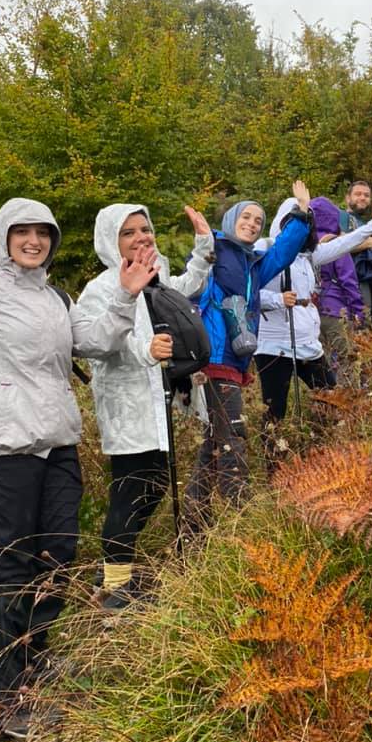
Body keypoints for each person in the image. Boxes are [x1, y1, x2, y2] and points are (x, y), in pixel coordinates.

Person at [0, 198, 155, 738]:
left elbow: (93, 343)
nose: (33, 241)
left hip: (58, 443)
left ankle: (30, 661)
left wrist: (124, 295)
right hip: (3, 447)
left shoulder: (56, 297)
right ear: (2, 237)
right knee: (9, 567)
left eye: (42, 233)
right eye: (21, 232)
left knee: (56, 558)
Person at [75, 203, 213, 612]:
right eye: (128, 232)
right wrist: (144, 350)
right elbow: (95, 345)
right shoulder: (100, 288)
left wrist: (203, 245)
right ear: (110, 240)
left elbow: (186, 288)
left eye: (144, 229)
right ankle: (114, 593)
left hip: (156, 399)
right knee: (131, 491)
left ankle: (114, 572)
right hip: (127, 404)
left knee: (154, 484)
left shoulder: (157, 274)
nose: (141, 237)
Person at [183, 181, 312, 535]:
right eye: (246, 217)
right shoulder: (214, 250)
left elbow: (282, 252)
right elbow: (192, 286)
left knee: (213, 444)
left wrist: (302, 212)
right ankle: (243, 521)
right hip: (213, 359)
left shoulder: (254, 263)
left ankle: (193, 526)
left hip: (234, 362)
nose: (252, 224)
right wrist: (203, 241)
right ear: (231, 219)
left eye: (258, 221)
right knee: (232, 437)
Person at [255, 195, 372, 471]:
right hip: (273, 345)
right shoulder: (264, 249)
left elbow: (341, 245)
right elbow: (246, 293)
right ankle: (274, 469)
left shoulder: (308, 255)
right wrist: (277, 300)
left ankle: (319, 449)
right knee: (275, 409)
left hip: (307, 344)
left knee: (330, 396)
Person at [309, 196, 366, 388]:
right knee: (345, 359)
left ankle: (326, 397)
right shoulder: (336, 244)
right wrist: (358, 311)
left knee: (322, 362)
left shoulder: (304, 246)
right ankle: (350, 396)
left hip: (311, 312)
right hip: (336, 310)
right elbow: (348, 281)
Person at [339, 180, 372, 334]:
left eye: (366, 195)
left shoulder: (363, 223)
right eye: (358, 194)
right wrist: (367, 244)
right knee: (359, 325)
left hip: (365, 279)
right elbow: (337, 246)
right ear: (348, 198)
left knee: (367, 324)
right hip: (349, 281)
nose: (362, 198)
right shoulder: (343, 218)